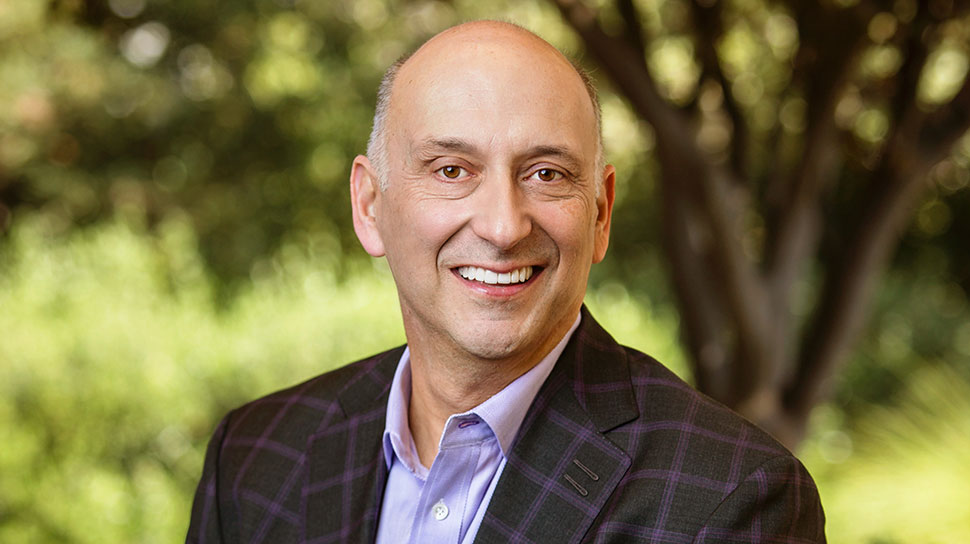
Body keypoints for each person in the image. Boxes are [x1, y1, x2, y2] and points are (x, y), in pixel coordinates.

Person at [186, 21, 825, 543]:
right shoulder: (254, 459)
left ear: (600, 213)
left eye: (546, 174)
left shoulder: (732, 500)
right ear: (370, 206)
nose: (501, 225)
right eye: (452, 169)